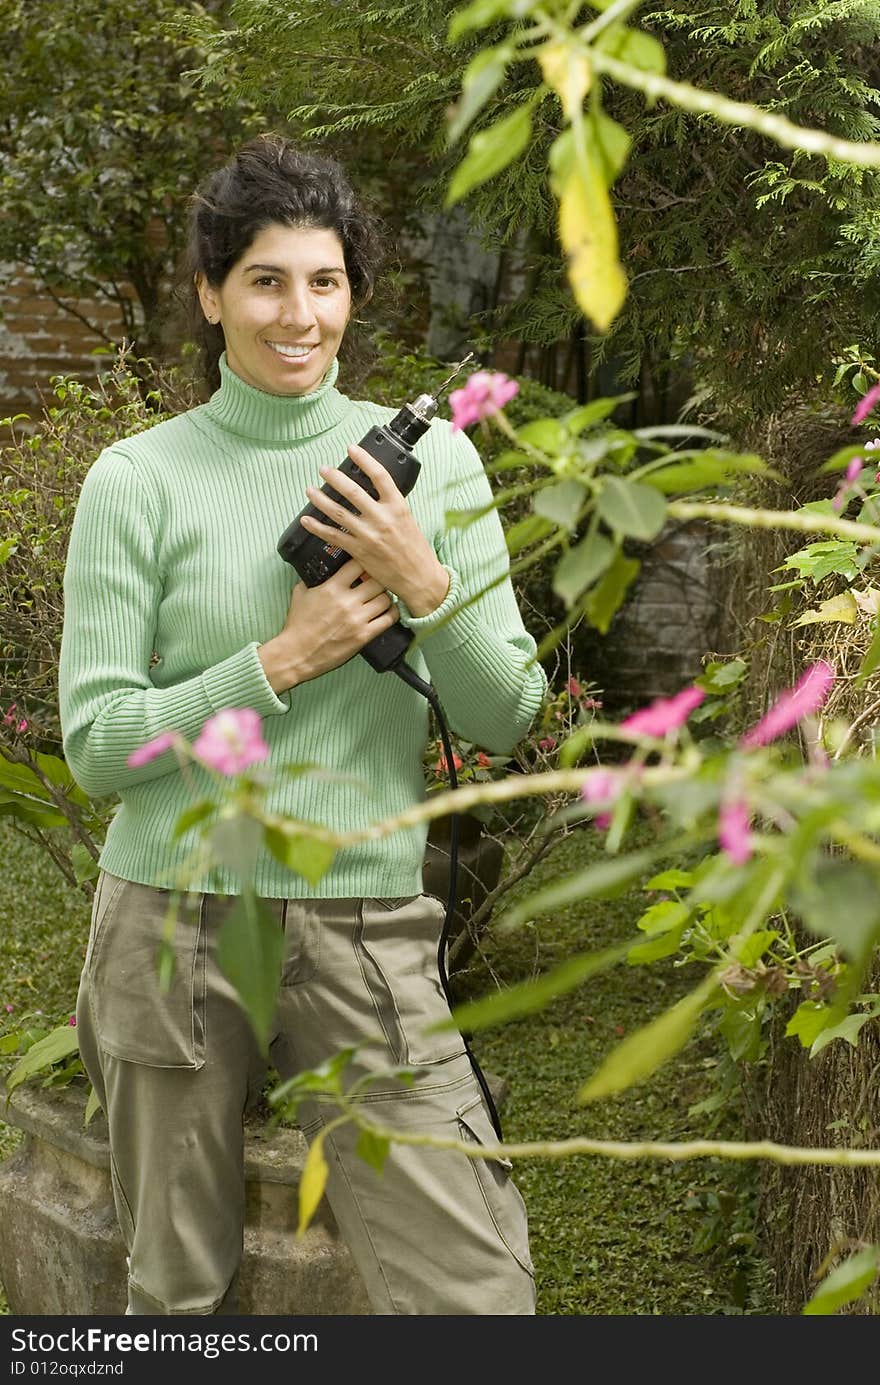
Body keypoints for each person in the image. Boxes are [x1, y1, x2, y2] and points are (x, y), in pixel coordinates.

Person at [58, 133, 547, 1317]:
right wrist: (279, 660)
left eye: (323, 281)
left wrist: (422, 584)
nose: (297, 314)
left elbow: (505, 719)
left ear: (353, 296)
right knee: (174, 1291)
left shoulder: (432, 468)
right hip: (168, 914)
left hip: (366, 916)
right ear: (210, 295)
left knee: (474, 1290)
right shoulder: (139, 479)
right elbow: (98, 746)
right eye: (265, 280)